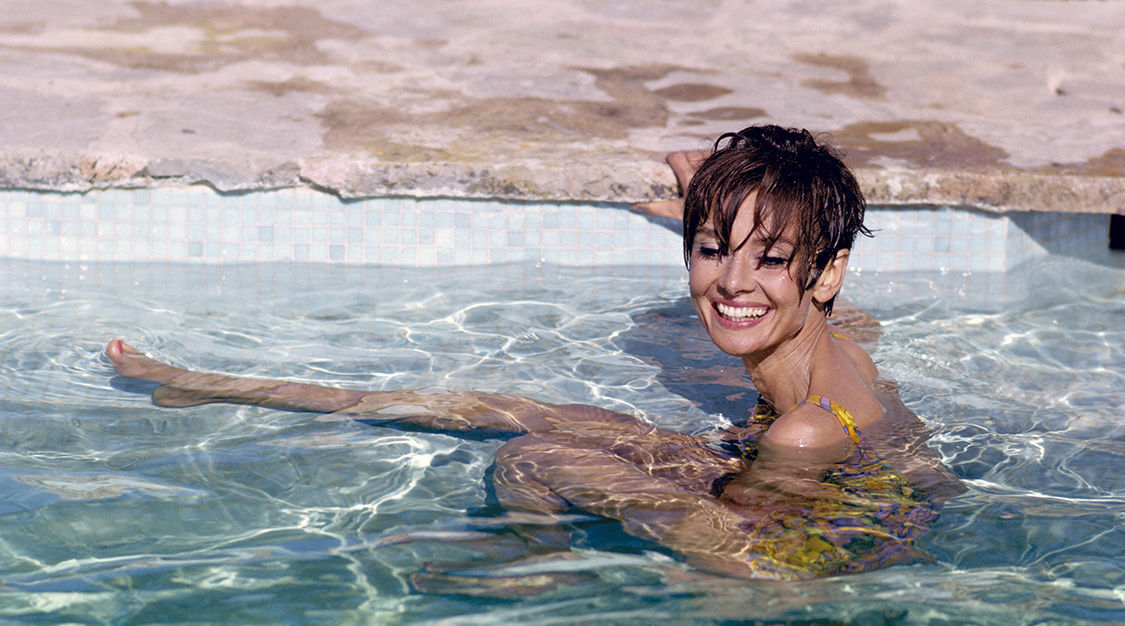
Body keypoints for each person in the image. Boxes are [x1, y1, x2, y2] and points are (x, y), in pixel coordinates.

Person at [105, 124, 961, 580]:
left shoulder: (802, 429)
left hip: (792, 551)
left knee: (535, 451)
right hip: (822, 489)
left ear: (824, 271)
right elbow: (818, 306)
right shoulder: (830, 340)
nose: (731, 283)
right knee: (502, 406)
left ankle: (537, 568)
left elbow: (748, 553)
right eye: (710, 247)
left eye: (769, 258)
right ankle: (215, 386)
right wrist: (725, 209)